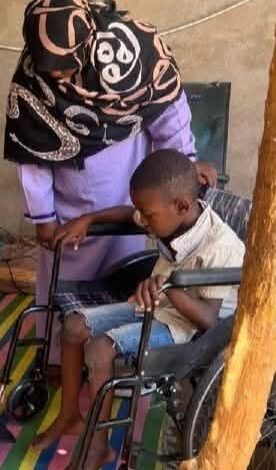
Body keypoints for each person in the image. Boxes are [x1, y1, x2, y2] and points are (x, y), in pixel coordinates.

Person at [32, 150, 245, 469]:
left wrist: (169, 288)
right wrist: (89, 219)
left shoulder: (220, 247)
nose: (143, 221)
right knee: (73, 327)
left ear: (182, 206)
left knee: (100, 350)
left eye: (148, 215)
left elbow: (208, 321)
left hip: (192, 331)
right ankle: (69, 415)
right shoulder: (171, 213)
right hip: (161, 305)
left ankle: (99, 447)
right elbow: (127, 214)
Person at [4, 0, 217, 308]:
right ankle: (64, 337)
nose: (58, 75)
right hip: (67, 209)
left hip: (128, 193)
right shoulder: (31, 76)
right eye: (49, 67)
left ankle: (114, 333)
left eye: (65, 64)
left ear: (88, 42)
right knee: (65, 287)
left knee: (126, 278)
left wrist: (185, 164)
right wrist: (43, 217)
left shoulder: (135, 55)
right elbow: (31, 153)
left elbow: (168, 111)